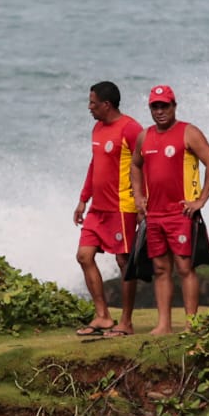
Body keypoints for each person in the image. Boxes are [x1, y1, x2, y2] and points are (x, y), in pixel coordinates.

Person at [130, 84, 209, 334]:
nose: (159, 111)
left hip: (181, 214)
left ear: (174, 106)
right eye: (155, 106)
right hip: (155, 215)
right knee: (160, 269)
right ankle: (164, 324)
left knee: (184, 268)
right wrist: (139, 197)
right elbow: (135, 166)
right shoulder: (144, 136)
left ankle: (191, 324)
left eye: (164, 105)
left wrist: (200, 200)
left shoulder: (188, 132)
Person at [72, 81, 144, 337]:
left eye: (92, 103)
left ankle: (126, 322)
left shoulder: (131, 129)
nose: (89, 107)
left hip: (122, 207)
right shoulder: (97, 128)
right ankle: (103, 316)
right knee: (84, 256)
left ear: (106, 105)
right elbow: (95, 165)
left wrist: (143, 201)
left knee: (123, 261)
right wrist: (83, 199)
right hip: (98, 209)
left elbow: (145, 164)